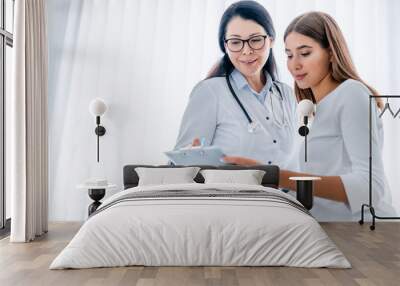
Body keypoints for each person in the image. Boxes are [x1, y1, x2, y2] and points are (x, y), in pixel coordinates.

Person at [280, 11, 394, 221]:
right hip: (329, 233)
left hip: (365, 234)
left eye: (304, 53)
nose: (294, 64)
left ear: (331, 53)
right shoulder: (308, 110)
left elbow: (371, 187)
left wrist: (281, 178)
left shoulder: (351, 93)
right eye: (288, 55)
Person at [174, 1, 297, 168]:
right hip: (232, 193)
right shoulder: (209, 92)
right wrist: (187, 159)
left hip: (283, 194)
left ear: (271, 40)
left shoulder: (287, 94)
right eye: (235, 42)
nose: (246, 51)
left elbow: (297, 161)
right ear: (225, 46)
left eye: (255, 40)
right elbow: (178, 165)